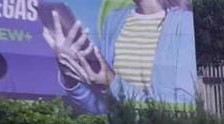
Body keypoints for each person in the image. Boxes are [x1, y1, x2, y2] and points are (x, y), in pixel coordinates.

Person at [41, 0, 196, 114]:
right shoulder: (114, 21)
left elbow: (181, 109)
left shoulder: (184, 23)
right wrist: (70, 73)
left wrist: (112, 83)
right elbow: (100, 109)